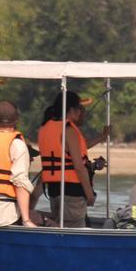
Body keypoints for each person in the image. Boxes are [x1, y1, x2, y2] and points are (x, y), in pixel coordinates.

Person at [36, 90, 106, 227]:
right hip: (72, 194)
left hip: (54, 191)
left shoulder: (45, 127)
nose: (81, 112)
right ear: (72, 110)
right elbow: (79, 168)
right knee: (73, 231)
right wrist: (89, 194)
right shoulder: (69, 130)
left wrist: (103, 137)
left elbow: (75, 151)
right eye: (79, 109)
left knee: (60, 228)